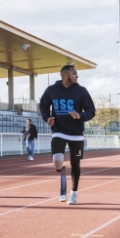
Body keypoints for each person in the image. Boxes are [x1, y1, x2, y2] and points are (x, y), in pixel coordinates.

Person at [39, 63, 95, 205]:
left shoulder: (81, 91)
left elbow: (91, 111)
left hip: (76, 133)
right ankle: (61, 171)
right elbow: (43, 106)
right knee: (57, 161)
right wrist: (47, 118)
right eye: (74, 73)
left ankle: (73, 193)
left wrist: (80, 115)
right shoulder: (51, 90)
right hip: (59, 131)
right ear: (65, 76)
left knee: (75, 164)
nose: (77, 76)